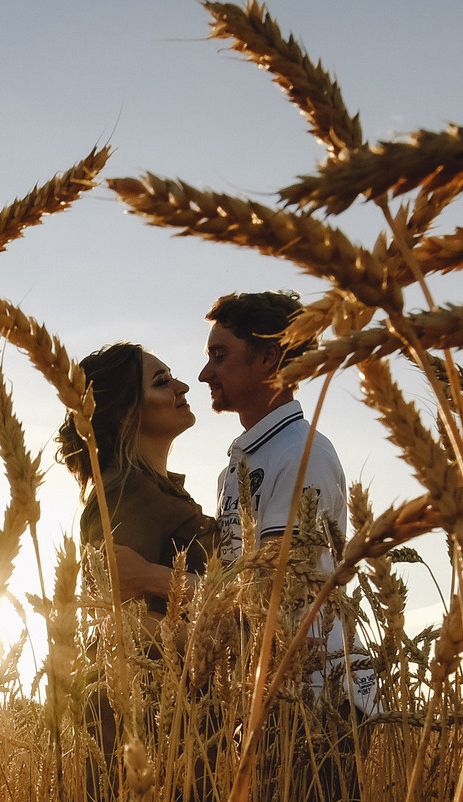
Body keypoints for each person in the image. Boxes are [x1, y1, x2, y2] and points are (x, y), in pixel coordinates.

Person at [198, 291, 376, 713]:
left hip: (317, 697)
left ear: (268, 359)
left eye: (219, 355)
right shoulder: (239, 467)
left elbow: (278, 587)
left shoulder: (300, 453)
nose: (205, 373)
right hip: (272, 689)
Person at [62, 341, 211, 613]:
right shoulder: (125, 496)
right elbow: (123, 629)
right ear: (124, 412)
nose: (182, 387)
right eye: (162, 381)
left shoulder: (153, 489)